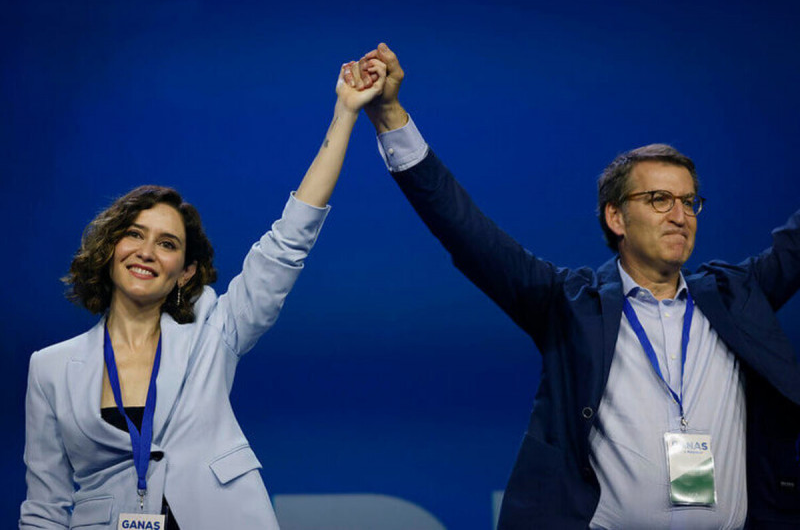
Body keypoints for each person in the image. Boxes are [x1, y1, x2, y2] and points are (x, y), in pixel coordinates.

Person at [344, 44, 800, 529]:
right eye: (660, 199)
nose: (680, 215)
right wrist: (390, 115)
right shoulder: (568, 304)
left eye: (690, 202)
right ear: (615, 216)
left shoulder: (737, 296)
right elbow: (465, 229)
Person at [20, 58, 386, 529]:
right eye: (134, 234)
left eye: (167, 244)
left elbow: (288, 241)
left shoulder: (216, 330)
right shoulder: (49, 368)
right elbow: (45, 507)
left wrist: (346, 111)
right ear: (110, 250)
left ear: (186, 273)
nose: (146, 251)